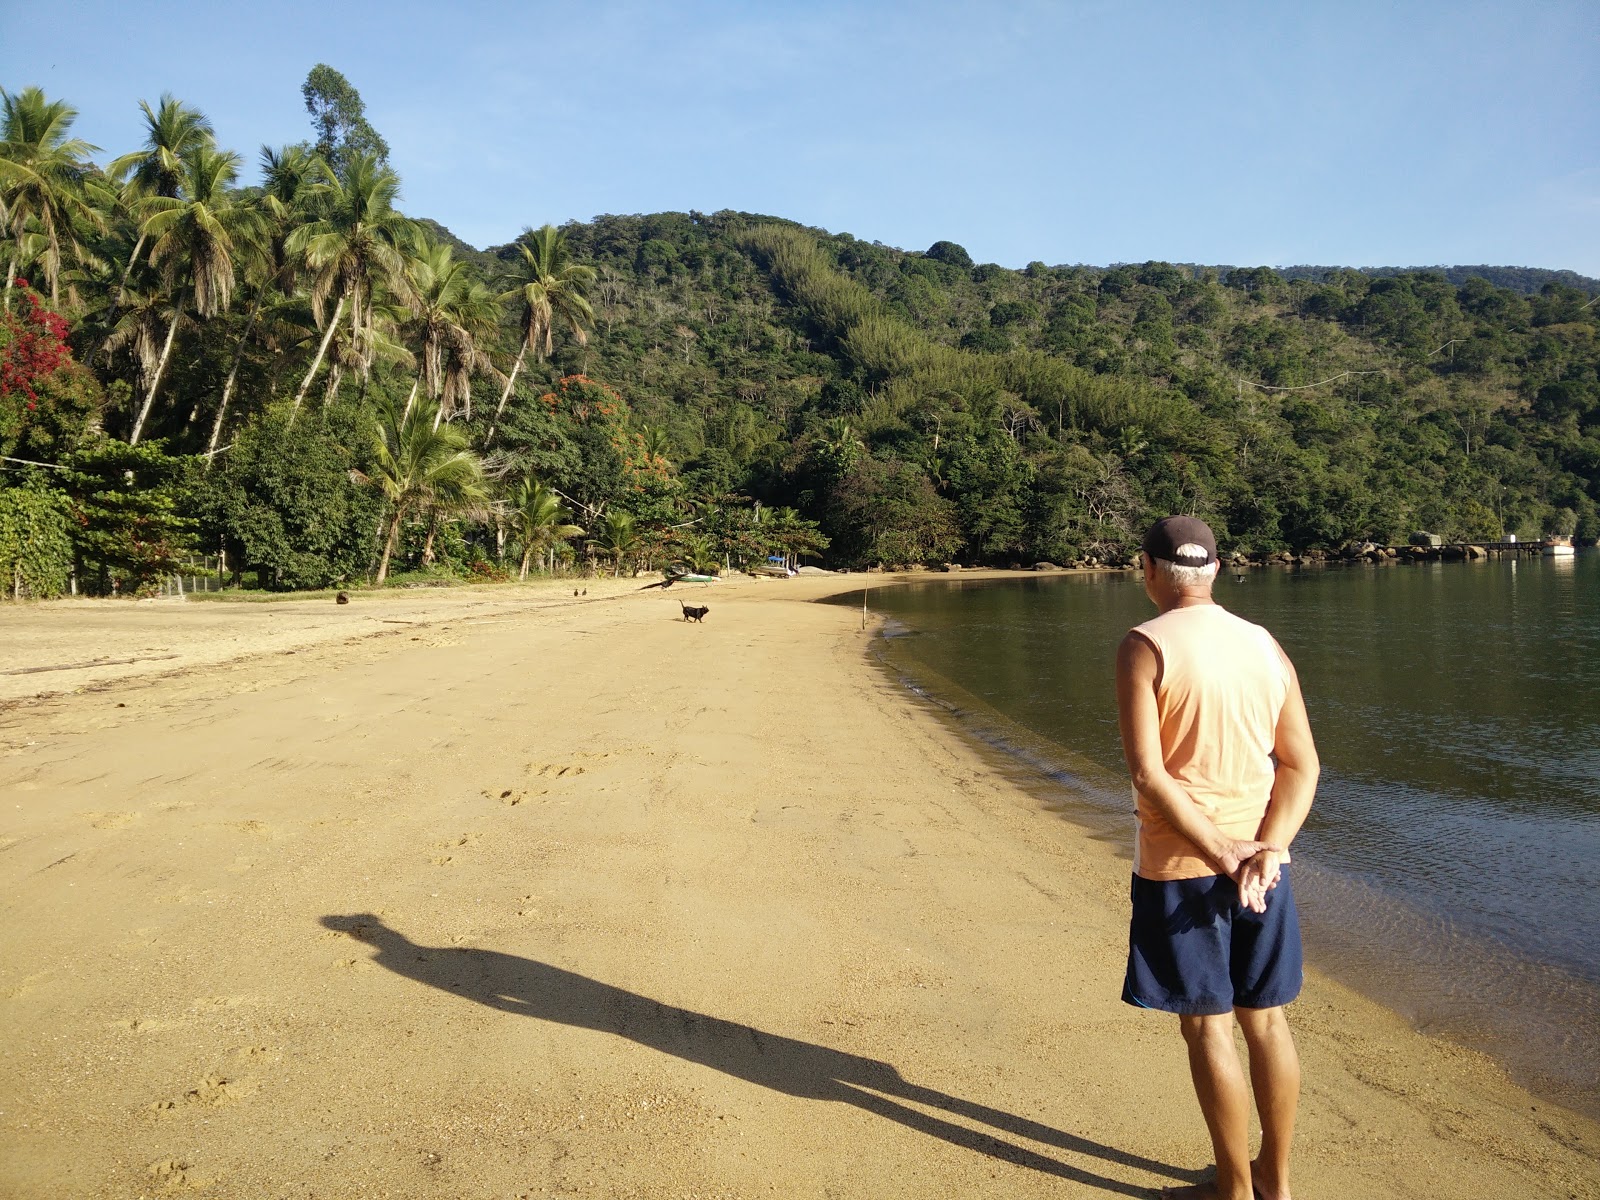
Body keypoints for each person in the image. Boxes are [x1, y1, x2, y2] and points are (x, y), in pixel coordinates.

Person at [1114, 516, 1320, 1200]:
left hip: (1183, 866)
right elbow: (1300, 765)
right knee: (1266, 1020)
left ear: (1147, 567)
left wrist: (1222, 850)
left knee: (1208, 1028)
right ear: (1217, 569)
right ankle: (1276, 1184)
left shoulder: (1145, 645)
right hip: (1265, 871)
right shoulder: (1264, 645)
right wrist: (1269, 848)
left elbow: (1149, 774)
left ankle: (1234, 1189)